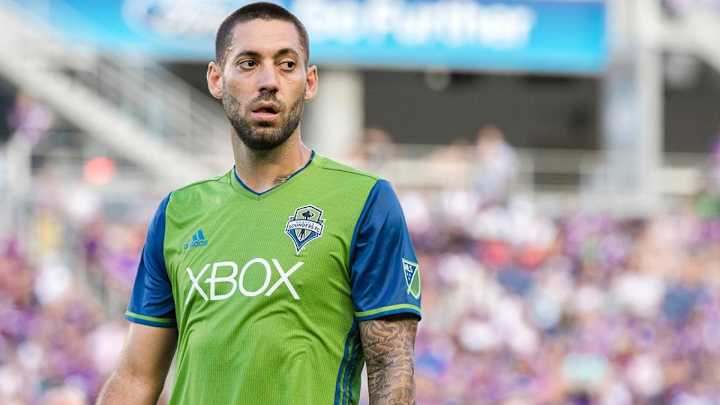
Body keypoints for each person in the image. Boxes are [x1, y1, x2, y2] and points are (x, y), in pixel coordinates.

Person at [96, 3, 421, 405]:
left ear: (310, 82)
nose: (269, 81)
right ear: (216, 79)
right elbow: (134, 378)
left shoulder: (366, 200)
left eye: (287, 65)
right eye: (248, 63)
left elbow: (391, 368)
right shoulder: (177, 212)